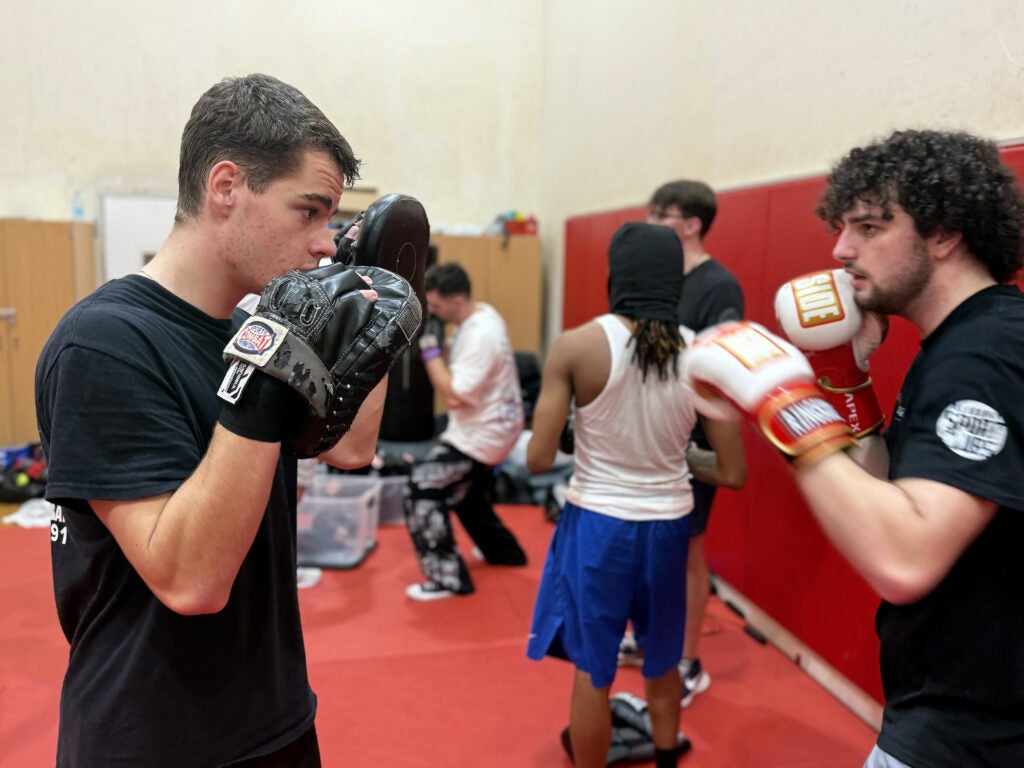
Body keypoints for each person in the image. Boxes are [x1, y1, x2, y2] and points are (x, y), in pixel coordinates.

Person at [35, 73, 389, 767]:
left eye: (332, 221)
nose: (324, 244)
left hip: (277, 713)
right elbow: (191, 581)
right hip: (156, 736)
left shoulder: (250, 328)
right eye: (309, 211)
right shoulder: (106, 342)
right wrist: (266, 369)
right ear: (225, 187)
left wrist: (375, 332)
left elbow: (350, 450)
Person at [685, 129, 1024, 767]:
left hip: (974, 732)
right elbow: (892, 497)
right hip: (953, 707)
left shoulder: (985, 354)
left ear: (945, 233)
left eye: (869, 228)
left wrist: (781, 403)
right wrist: (840, 376)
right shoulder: (962, 343)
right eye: (842, 228)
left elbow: (903, 558)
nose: (842, 250)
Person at [525, 223, 746, 768]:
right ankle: (668, 757)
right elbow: (733, 471)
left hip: (598, 523)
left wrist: (591, 433)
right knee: (663, 654)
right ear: (676, 280)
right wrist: (678, 458)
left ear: (614, 276)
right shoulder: (703, 354)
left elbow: (536, 458)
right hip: (669, 524)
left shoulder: (578, 345)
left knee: (594, 669)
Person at [620, 179, 744, 706]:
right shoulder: (658, 276)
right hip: (646, 432)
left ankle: (688, 661)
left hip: (689, 440)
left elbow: (719, 372)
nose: (651, 221)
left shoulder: (720, 287)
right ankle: (647, 635)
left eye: (661, 214)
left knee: (688, 551)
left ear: (691, 224)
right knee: (644, 545)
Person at [403, 261, 527, 601]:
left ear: (456, 302)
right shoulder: (480, 315)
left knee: (421, 487)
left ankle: (447, 578)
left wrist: (429, 352)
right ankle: (505, 552)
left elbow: (455, 395)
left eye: (438, 306)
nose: (435, 312)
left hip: (483, 436)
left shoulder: (480, 333)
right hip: (493, 427)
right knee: (465, 492)